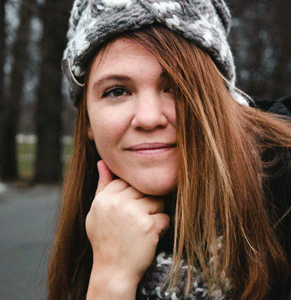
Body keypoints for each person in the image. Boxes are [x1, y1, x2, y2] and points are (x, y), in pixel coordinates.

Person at [48, 1, 291, 299]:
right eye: (117, 91)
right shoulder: (93, 234)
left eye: (176, 86)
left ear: (218, 97)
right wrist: (110, 279)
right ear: (87, 119)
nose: (149, 118)